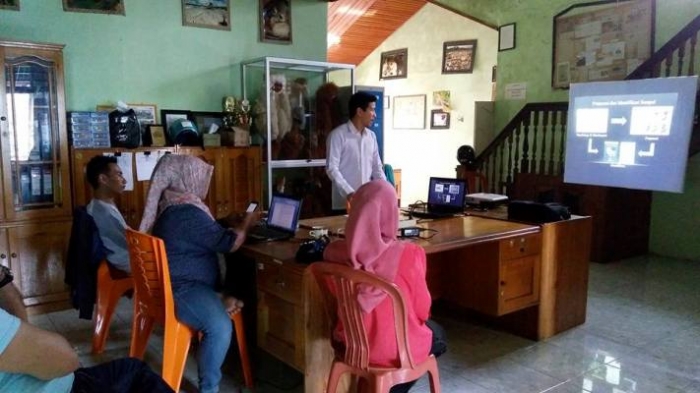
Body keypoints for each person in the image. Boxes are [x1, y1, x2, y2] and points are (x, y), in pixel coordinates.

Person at [138, 154, 258, 393]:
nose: (204, 182)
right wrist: (247, 223)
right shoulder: (186, 213)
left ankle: (217, 301)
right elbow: (229, 244)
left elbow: (202, 231)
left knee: (229, 301)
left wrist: (225, 220)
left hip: (181, 285)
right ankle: (209, 388)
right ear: (187, 177)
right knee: (220, 327)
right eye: (200, 176)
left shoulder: (175, 205)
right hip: (183, 289)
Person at [323, 180, 447, 393]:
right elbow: (423, 311)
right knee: (438, 336)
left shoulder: (334, 254)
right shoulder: (410, 254)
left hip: (351, 345)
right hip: (395, 351)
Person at [0, 266, 173, 393]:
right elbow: (68, 362)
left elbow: (22, 328)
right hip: (67, 386)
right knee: (136, 376)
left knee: (131, 369)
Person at [326, 91, 386, 213]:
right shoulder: (338, 135)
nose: (374, 115)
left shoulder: (371, 136)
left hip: (367, 202)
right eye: (372, 110)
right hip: (344, 204)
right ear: (359, 112)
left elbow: (377, 168)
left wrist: (386, 190)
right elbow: (332, 168)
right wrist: (349, 193)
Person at [85, 155, 130, 273]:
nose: (124, 180)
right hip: (123, 261)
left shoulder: (103, 205)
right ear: (103, 179)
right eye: (119, 175)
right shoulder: (102, 212)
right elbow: (128, 242)